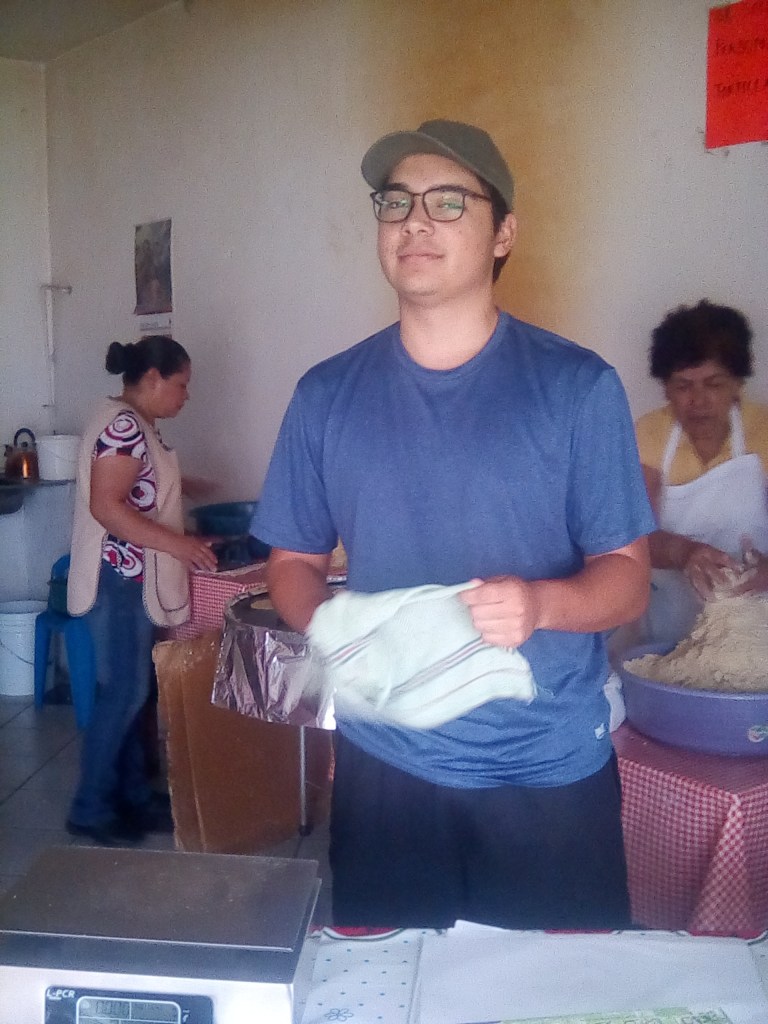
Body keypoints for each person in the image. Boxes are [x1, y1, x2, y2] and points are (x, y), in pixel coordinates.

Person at [253, 119, 654, 930]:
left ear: (503, 233)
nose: (414, 221)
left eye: (447, 202)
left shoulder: (578, 388)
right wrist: (335, 628)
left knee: (553, 991)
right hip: (385, 767)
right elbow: (293, 562)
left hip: (544, 772)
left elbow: (627, 579)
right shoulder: (326, 395)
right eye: (395, 201)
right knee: (388, 980)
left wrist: (538, 605)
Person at [66, 335, 217, 846]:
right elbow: (107, 507)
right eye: (181, 384)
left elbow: (137, 482)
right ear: (152, 378)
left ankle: (132, 796)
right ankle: (89, 808)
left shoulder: (129, 422)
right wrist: (180, 545)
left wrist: (184, 486)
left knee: (133, 693)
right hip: (118, 580)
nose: (186, 396)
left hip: (130, 581)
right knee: (124, 695)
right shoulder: (124, 425)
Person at [634, 300, 768, 645]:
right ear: (666, 389)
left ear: (737, 383)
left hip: (757, 627)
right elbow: (634, 536)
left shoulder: (763, 430)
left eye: (714, 384)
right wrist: (685, 553)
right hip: (672, 625)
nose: (699, 400)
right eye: (683, 386)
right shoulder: (649, 435)